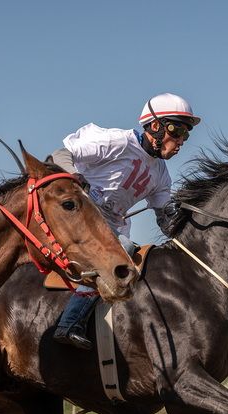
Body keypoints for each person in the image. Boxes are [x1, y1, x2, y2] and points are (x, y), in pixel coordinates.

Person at [50, 93, 201, 350]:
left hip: (110, 226)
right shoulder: (117, 141)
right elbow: (59, 154)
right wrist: (74, 176)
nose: (181, 142)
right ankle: (69, 323)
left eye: (186, 136)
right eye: (178, 133)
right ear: (156, 126)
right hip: (81, 218)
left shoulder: (161, 175)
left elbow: (166, 217)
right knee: (123, 252)